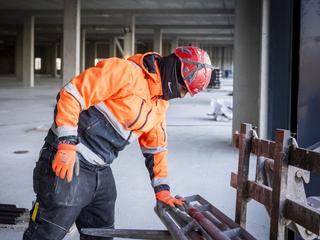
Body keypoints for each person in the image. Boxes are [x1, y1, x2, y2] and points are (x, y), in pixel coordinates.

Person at [23, 46, 213, 240]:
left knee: (102, 233)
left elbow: (156, 148)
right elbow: (72, 94)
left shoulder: (159, 103)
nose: (182, 95)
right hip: (70, 159)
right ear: (176, 70)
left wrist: (163, 192)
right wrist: (66, 143)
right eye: (183, 89)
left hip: (101, 167)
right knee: (46, 233)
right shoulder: (125, 72)